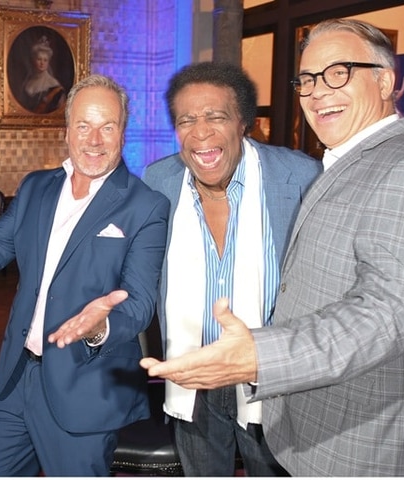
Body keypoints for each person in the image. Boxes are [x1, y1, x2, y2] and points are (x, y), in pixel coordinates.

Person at [141, 18, 404, 477]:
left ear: (386, 81)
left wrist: (259, 357)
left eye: (339, 72)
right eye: (309, 79)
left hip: (370, 438)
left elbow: (389, 313)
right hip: (241, 394)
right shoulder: (338, 167)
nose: (319, 91)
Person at [0, 74, 169, 476]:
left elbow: (141, 299)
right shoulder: (36, 187)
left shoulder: (146, 206)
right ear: (66, 132)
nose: (94, 139)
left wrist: (100, 327)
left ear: (122, 133)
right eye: (84, 125)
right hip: (16, 377)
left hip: (86, 387)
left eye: (107, 127)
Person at [142, 61, 321, 476]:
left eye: (215, 116)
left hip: (271, 381)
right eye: (187, 120)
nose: (200, 132)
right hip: (194, 375)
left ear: (244, 123)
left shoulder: (299, 178)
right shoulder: (159, 181)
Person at [18, 35, 66, 114]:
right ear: (33, 61)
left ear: (48, 63)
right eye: (39, 59)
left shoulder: (54, 85)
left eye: (45, 60)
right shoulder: (27, 83)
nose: (42, 63)